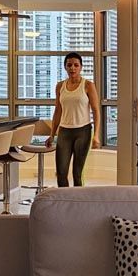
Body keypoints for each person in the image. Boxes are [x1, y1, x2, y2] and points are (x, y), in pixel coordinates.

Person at [44, 52, 102, 187]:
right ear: (65, 67)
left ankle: (78, 203)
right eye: (69, 65)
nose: (72, 68)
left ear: (81, 67)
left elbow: (96, 111)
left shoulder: (88, 85)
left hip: (83, 131)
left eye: (76, 65)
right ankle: (65, 203)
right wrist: (52, 134)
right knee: (61, 172)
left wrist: (97, 135)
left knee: (77, 173)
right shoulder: (60, 86)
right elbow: (58, 111)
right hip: (64, 132)